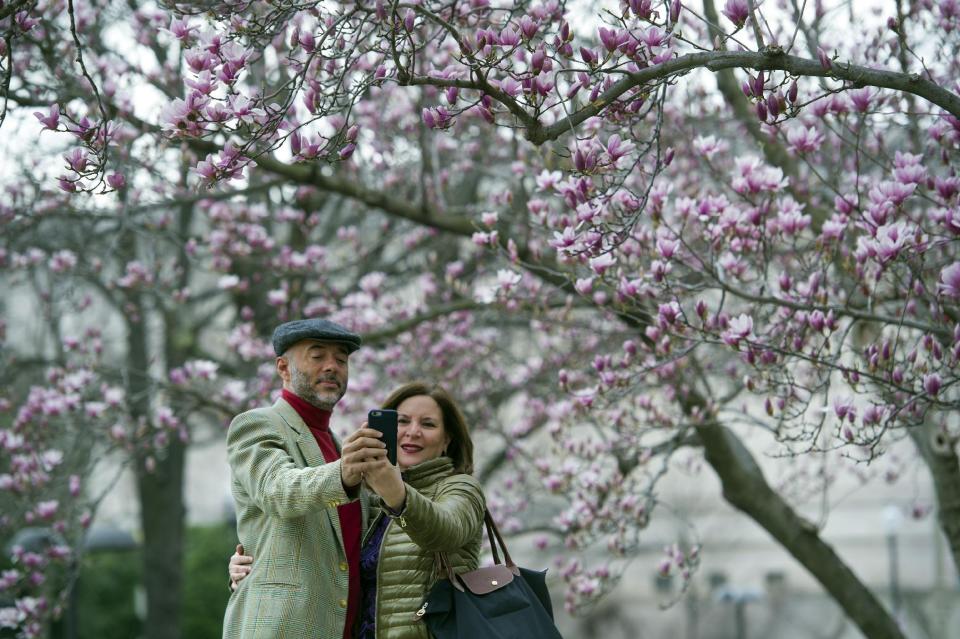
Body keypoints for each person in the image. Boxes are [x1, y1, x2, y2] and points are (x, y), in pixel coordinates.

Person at [228, 381, 486, 639]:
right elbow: (331, 554)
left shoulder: (461, 489)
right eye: (403, 421)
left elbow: (445, 532)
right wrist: (256, 564)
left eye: (428, 424)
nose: (413, 432)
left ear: (447, 440)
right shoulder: (369, 500)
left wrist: (398, 495)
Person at [222, 318, 391, 639]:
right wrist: (345, 472)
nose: (332, 366)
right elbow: (279, 491)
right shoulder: (257, 425)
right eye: (317, 356)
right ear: (283, 368)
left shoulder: (336, 445)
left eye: (341, 360)